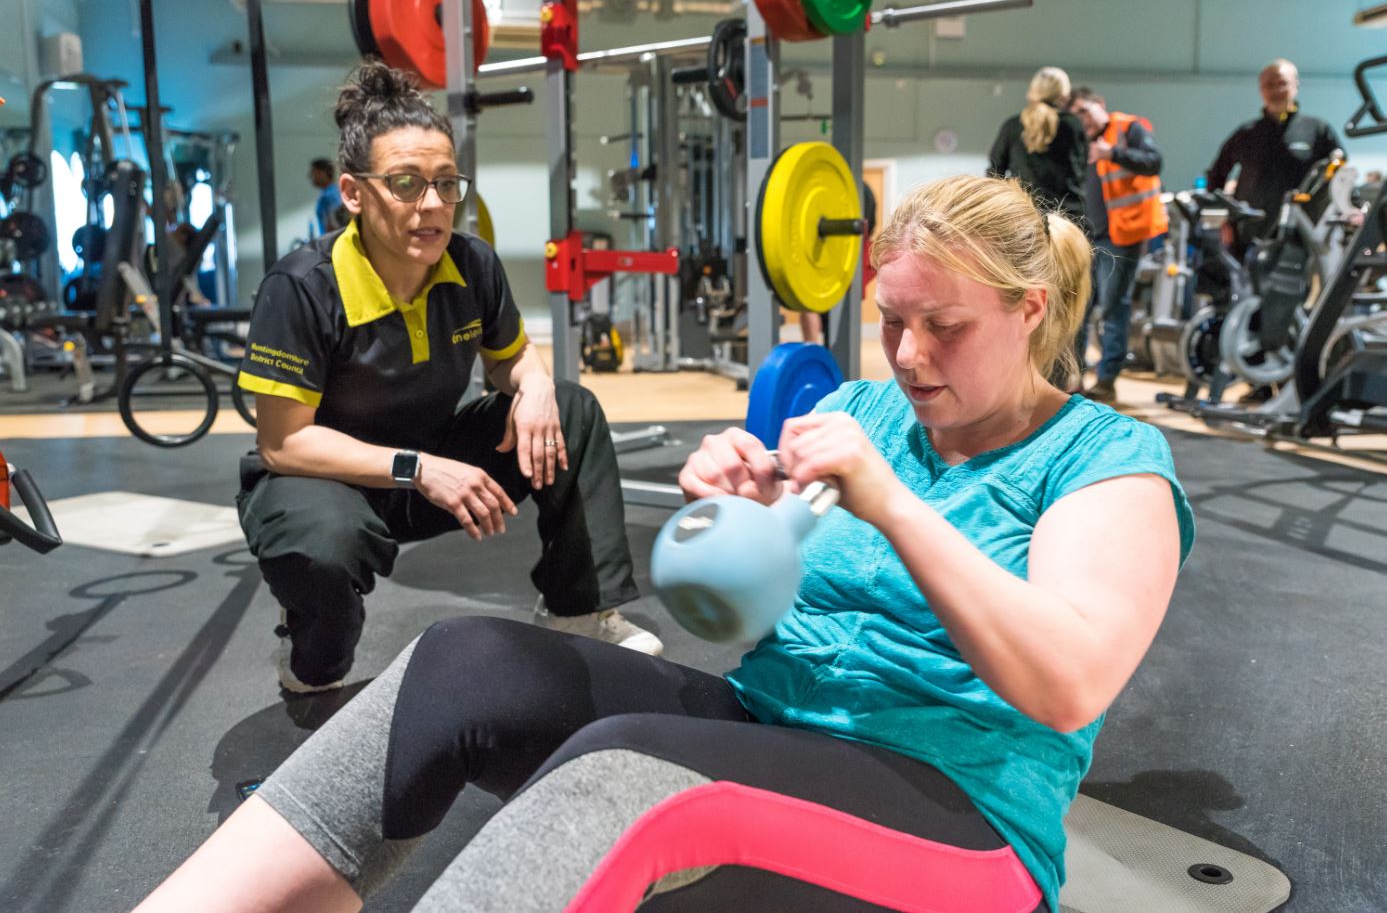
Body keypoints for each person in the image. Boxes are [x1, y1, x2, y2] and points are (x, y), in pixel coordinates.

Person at [134, 175, 1193, 913]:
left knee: (620, 771)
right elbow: (749, 613)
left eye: (944, 327)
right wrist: (739, 515)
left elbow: (1067, 684)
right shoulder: (870, 416)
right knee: (467, 663)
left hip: (963, 820)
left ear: (1031, 308)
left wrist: (896, 510)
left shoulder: (1105, 460)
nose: (908, 356)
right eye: (890, 320)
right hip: (777, 733)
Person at [235, 60, 661, 695]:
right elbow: (282, 444)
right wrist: (420, 468)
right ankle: (309, 647)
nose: (432, 205)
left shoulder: (471, 264)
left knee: (570, 407)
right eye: (406, 184)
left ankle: (579, 606)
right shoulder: (300, 287)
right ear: (353, 194)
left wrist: (537, 384)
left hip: (432, 467)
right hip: (322, 483)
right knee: (324, 559)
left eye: (444, 184)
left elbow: (511, 357)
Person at [1067, 86, 1167, 403]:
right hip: (1088, 237)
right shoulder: (1080, 142)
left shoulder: (1128, 129)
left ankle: (1107, 379)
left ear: (1100, 104)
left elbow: (1154, 161)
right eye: (1076, 115)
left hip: (1123, 236)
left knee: (1112, 306)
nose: (1082, 120)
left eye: (1085, 110)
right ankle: (1075, 377)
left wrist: (1112, 153)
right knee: (1080, 309)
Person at [1207, 59, 1341, 258]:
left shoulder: (1318, 130)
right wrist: (1222, 218)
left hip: (1302, 235)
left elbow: (1340, 174)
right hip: (1249, 235)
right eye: (1269, 85)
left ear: (1296, 85)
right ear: (1261, 89)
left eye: (1282, 83)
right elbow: (1216, 176)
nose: (1276, 90)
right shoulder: (1246, 134)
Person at [988, 66, 1089, 228]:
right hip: (1066, 217)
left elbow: (994, 171)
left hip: (1023, 215)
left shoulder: (1012, 126)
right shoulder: (1071, 125)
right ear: (1064, 92)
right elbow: (1081, 170)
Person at [310, 157, 346, 236]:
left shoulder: (330, 195)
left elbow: (335, 222)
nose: (311, 177)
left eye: (314, 173)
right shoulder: (328, 193)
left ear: (323, 172)